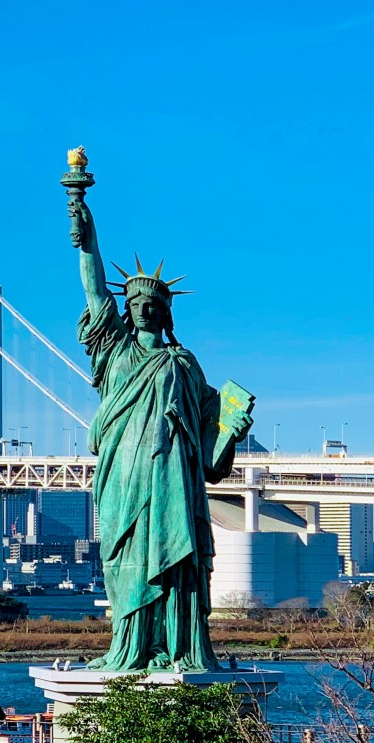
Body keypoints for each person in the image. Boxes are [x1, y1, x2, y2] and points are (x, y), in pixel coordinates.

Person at [67, 168, 252, 672]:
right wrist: (86, 228)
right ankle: (129, 646)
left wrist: (232, 431)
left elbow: (212, 448)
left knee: (178, 561)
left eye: (154, 304)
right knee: (127, 558)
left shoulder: (184, 364)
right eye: (136, 303)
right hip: (125, 473)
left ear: (166, 312)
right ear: (126, 309)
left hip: (174, 473)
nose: (145, 309)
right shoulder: (115, 350)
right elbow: (93, 291)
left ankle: (181, 646)